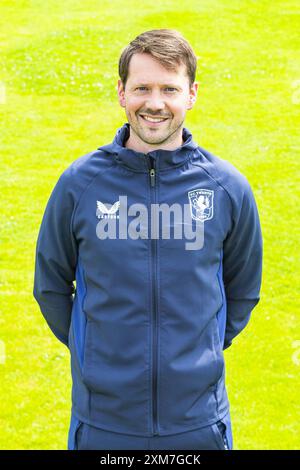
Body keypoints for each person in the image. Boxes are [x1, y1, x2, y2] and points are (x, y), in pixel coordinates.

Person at [33, 29, 263, 450]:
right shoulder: (79, 185)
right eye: (142, 88)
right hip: (103, 423)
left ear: (191, 94)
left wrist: (201, 350)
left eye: (169, 89)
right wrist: (97, 352)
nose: (155, 103)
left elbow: (243, 290)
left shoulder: (226, 188)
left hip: (198, 424)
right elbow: (49, 285)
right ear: (121, 92)